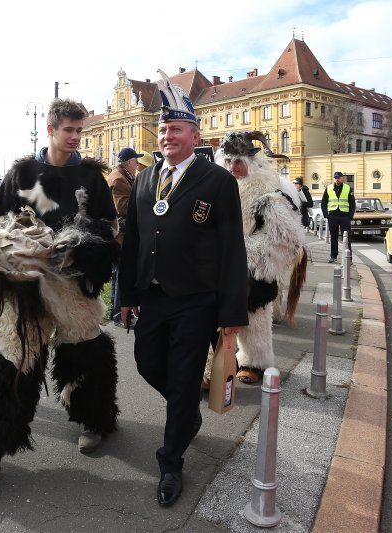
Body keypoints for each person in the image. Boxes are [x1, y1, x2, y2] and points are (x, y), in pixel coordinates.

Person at [0, 99, 119, 481]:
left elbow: (110, 228)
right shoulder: (22, 174)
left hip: (72, 284)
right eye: (68, 130)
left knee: (85, 350)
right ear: (51, 129)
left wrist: (83, 247)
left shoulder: (92, 178)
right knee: (8, 358)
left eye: (79, 131)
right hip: (23, 285)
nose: (75, 137)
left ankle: (94, 421)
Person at [118, 70, 248, 507]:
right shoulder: (143, 179)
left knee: (184, 372)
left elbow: (233, 251)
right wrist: (127, 297)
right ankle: (185, 411)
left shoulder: (218, 182)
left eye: (175, 129)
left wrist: (231, 314)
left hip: (197, 301)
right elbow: (133, 241)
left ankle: (171, 460)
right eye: (162, 129)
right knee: (147, 363)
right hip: (153, 298)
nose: (166, 136)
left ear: (194, 135)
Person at [201, 131, 306, 387]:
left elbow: (286, 235)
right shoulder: (212, 186)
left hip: (253, 271)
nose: (233, 167)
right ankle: (210, 371)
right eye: (228, 161)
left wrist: (249, 257)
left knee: (254, 317)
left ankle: (254, 362)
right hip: (215, 269)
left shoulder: (268, 192)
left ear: (251, 163)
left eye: (238, 162)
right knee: (211, 319)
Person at [107, 146, 145, 326]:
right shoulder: (119, 178)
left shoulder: (124, 176)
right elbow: (122, 207)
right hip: (120, 235)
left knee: (120, 274)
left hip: (122, 234)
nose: (137, 165)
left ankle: (120, 313)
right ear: (129, 162)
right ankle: (117, 315)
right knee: (120, 275)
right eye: (136, 162)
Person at [321, 171, 356, 263]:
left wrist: (350, 216)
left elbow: (352, 203)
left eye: (339, 178)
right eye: (335, 178)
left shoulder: (348, 188)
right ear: (334, 178)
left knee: (347, 237)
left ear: (342, 178)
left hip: (345, 216)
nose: (337, 179)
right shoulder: (328, 188)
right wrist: (326, 214)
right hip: (332, 216)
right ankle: (333, 256)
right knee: (333, 237)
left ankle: (349, 258)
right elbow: (324, 202)